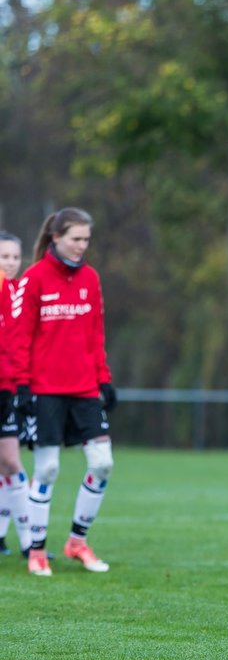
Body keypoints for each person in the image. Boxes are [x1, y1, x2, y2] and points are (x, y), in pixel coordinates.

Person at [10, 208, 117, 577]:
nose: (81, 246)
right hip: (44, 389)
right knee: (49, 469)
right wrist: (22, 385)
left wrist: (103, 378)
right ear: (56, 238)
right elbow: (19, 336)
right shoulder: (35, 277)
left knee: (103, 463)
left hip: (85, 387)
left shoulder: (90, 278)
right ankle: (36, 551)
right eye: (75, 239)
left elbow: (96, 333)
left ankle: (77, 542)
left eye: (86, 240)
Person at [0, 231, 33, 559]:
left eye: (14, 257)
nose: (10, 263)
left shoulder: (20, 295)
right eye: (3, 257)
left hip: (9, 391)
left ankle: (29, 543)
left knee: (10, 461)